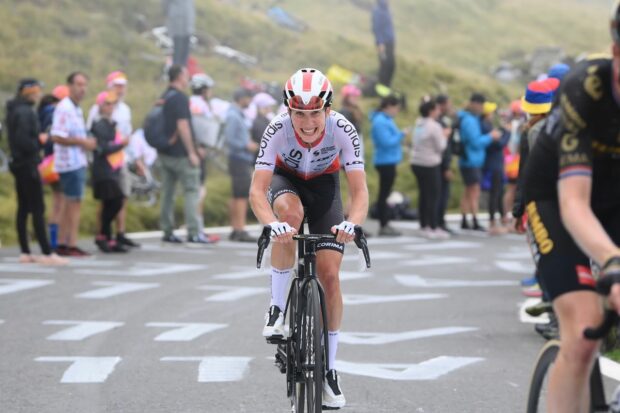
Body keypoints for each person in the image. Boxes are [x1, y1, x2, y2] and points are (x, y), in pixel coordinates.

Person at [521, 4, 620, 410]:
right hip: (557, 199)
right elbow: (574, 203)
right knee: (582, 336)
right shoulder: (585, 89)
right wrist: (612, 262)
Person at [249, 68, 368, 409]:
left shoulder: (343, 129)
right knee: (289, 219)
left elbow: (360, 192)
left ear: (327, 110)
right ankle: (276, 311)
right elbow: (257, 191)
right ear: (289, 111)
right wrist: (271, 224)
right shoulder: (277, 130)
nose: (307, 122)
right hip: (286, 184)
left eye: (314, 112)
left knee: (330, 275)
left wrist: (353, 224)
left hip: (325, 188)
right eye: (299, 113)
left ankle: (329, 370)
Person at [6, 79, 68, 265]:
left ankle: (25, 251)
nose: (40, 94)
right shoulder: (26, 112)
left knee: (24, 208)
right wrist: (40, 141)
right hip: (28, 163)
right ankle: (47, 252)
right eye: (38, 90)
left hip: (18, 163)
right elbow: (24, 141)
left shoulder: (14, 110)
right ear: (30, 92)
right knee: (37, 208)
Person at [87, 71, 139, 249]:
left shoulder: (125, 109)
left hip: (120, 159)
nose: (121, 89)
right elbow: (94, 139)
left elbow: (126, 135)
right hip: (105, 161)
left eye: (123, 85)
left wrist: (133, 157)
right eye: (117, 85)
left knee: (121, 196)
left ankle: (119, 233)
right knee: (108, 199)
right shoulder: (97, 111)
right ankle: (103, 234)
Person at [158, 64, 206, 245]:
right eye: (186, 76)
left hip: (164, 152)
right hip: (180, 154)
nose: (188, 79)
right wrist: (192, 152)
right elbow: (183, 125)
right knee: (191, 191)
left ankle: (167, 230)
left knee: (168, 192)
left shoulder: (164, 96)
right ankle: (193, 232)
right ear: (179, 77)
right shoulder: (179, 98)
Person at [51, 72, 96, 257]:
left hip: (78, 160)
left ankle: (64, 242)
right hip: (69, 163)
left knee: (72, 202)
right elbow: (57, 135)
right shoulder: (65, 108)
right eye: (78, 84)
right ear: (69, 85)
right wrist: (82, 142)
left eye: (84, 84)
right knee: (72, 203)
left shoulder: (76, 108)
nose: (82, 88)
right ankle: (69, 243)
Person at [90, 91, 130, 253]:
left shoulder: (110, 124)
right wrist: (122, 144)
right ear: (100, 106)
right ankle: (102, 235)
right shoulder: (99, 125)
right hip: (103, 169)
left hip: (112, 168)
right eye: (107, 103)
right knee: (115, 201)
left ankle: (107, 236)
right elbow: (103, 148)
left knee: (111, 203)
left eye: (113, 104)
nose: (111, 107)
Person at [457, 93, 501, 231]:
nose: (482, 108)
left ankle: (465, 218)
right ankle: (474, 220)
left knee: (468, 190)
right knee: (474, 190)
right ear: (475, 104)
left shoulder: (468, 118)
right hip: (471, 159)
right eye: (481, 105)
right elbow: (475, 142)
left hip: (469, 159)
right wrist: (490, 137)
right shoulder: (469, 120)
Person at [410, 96, 450, 239]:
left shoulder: (418, 123)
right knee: (433, 195)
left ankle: (423, 225)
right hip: (430, 163)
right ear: (432, 111)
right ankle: (433, 226)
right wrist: (445, 136)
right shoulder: (435, 126)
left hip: (416, 162)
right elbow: (441, 147)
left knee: (423, 195)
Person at [189, 73, 221, 244]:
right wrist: (199, 147)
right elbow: (200, 128)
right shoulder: (199, 104)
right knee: (199, 190)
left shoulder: (192, 102)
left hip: (195, 149)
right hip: (199, 149)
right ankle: (197, 227)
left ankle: (196, 225)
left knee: (197, 189)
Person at [38, 85, 69, 251]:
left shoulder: (42, 112)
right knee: (61, 201)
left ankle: (54, 239)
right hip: (57, 162)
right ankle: (56, 240)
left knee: (56, 201)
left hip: (46, 164)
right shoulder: (55, 114)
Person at [225, 88, 258, 242]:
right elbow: (230, 139)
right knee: (241, 195)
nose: (249, 102)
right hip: (238, 158)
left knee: (238, 194)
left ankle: (236, 229)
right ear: (241, 98)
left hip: (239, 159)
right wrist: (246, 145)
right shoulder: (233, 115)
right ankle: (239, 229)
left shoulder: (237, 114)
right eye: (248, 98)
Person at [370, 95, 406, 236]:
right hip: (385, 161)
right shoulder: (380, 121)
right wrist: (401, 135)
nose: (396, 111)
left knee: (385, 193)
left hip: (388, 160)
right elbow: (386, 142)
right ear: (388, 107)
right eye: (396, 108)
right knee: (384, 194)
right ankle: (383, 224)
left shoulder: (385, 120)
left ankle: (385, 223)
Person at [480, 101, 510, 235]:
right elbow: (499, 144)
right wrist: (507, 132)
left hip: (494, 163)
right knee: (495, 192)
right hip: (493, 164)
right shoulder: (486, 127)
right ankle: (493, 222)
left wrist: (503, 130)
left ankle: (500, 218)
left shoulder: (487, 126)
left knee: (498, 192)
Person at [435, 94, 455, 233]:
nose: (450, 107)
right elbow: (442, 146)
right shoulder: (438, 122)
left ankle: (439, 221)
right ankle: (438, 222)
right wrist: (446, 167)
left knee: (442, 194)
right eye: (448, 104)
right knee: (440, 195)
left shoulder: (443, 120)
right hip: (439, 163)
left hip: (439, 162)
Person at [163, 0, 195, 67]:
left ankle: (183, 70)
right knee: (177, 48)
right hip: (177, 21)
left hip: (188, 21)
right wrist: (168, 14)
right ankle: (176, 70)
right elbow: (165, 4)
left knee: (185, 49)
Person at [372, 0, 396, 87]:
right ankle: (382, 87)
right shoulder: (378, 10)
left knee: (391, 65)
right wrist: (380, 43)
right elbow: (377, 28)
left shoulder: (386, 9)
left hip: (390, 43)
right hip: (384, 44)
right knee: (385, 65)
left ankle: (386, 86)